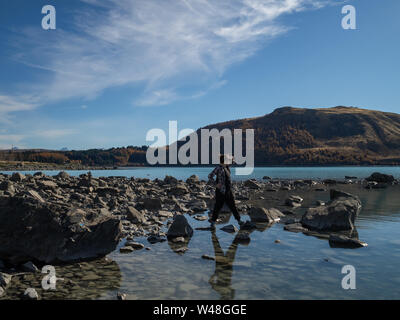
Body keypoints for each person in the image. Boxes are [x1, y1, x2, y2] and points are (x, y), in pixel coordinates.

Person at [208, 154, 243, 228]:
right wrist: (216, 184)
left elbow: (233, 162)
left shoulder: (227, 167)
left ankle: (239, 221)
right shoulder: (218, 168)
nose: (229, 162)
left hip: (228, 191)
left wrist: (232, 158)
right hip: (220, 191)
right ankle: (213, 223)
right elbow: (210, 176)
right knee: (217, 207)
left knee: (233, 206)